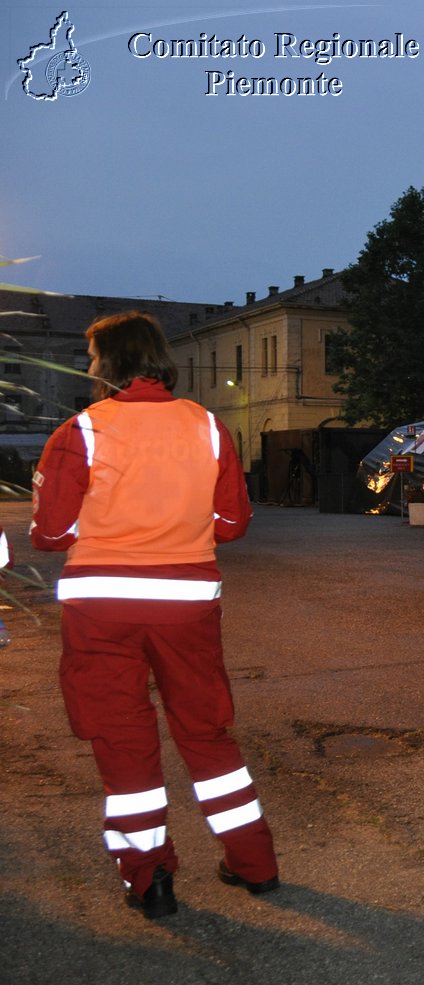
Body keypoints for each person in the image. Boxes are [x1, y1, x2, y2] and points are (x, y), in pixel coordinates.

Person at [31, 311, 280, 919]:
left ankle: (150, 878)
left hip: (101, 612)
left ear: (109, 362)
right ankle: (254, 863)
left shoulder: (81, 431)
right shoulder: (207, 426)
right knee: (206, 732)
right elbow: (232, 524)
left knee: (124, 743)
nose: (90, 368)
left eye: (93, 358)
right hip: (186, 608)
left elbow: (51, 533)